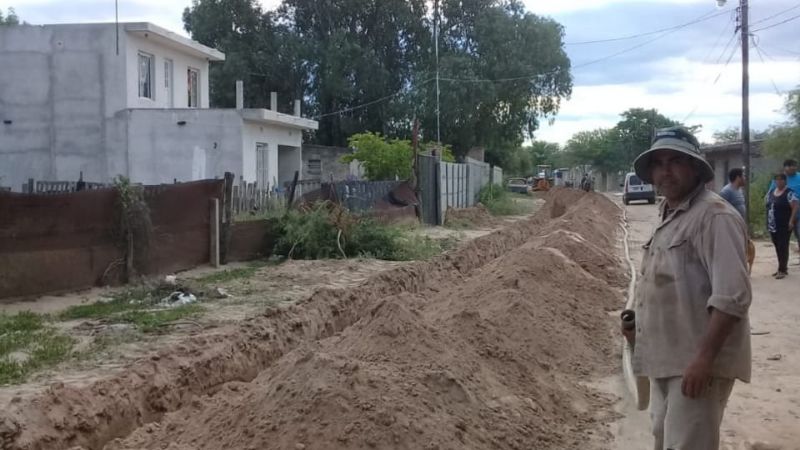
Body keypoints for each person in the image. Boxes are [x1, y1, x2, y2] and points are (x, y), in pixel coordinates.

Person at [623, 127, 751, 450]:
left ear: (694, 167)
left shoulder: (715, 216)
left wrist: (704, 359)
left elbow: (732, 296)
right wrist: (636, 330)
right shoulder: (668, 213)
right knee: (664, 439)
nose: (665, 171)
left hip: (695, 364)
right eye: (658, 163)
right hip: (665, 358)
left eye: (675, 161)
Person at [766, 173, 799, 279]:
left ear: (785, 181)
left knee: (783, 246)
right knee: (777, 245)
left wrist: (791, 221)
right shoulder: (772, 192)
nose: (779, 182)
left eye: (781, 180)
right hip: (773, 224)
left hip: (784, 224)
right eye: (777, 180)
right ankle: (781, 266)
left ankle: (782, 269)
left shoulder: (789, 193)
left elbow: (795, 206)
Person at [767, 159, 800, 262]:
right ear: (785, 168)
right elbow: (770, 194)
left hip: (798, 214)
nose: (793, 168)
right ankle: (783, 264)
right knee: (782, 241)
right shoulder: (778, 180)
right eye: (790, 166)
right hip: (783, 216)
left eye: (795, 166)